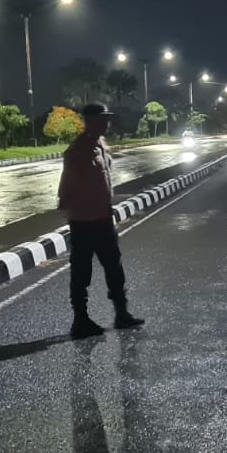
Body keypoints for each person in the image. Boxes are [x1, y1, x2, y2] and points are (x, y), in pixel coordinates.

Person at [58, 103, 145, 339]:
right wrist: (74, 210)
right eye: (102, 120)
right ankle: (80, 321)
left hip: (103, 219)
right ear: (91, 121)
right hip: (84, 223)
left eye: (107, 119)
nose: (107, 123)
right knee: (81, 273)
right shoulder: (77, 152)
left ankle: (121, 313)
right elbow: (65, 190)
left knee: (114, 268)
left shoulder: (101, 147)